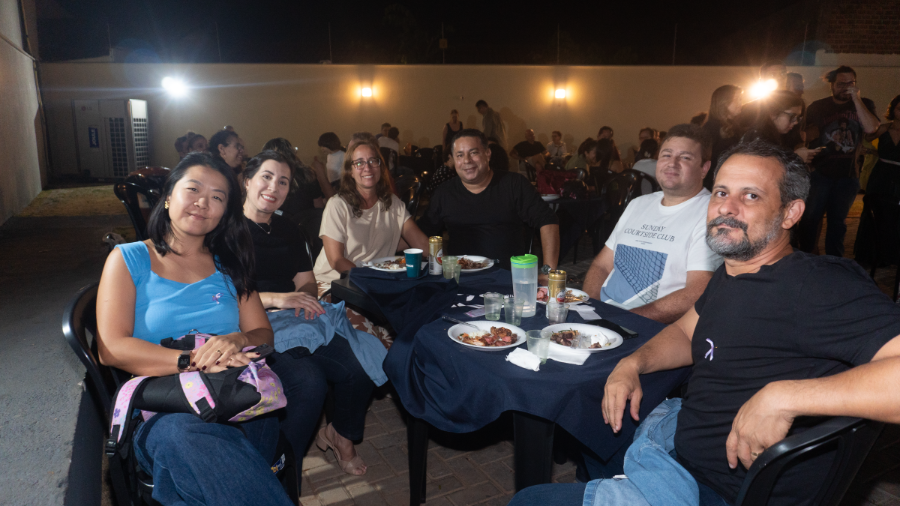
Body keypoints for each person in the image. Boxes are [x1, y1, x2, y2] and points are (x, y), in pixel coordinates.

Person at [508, 139, 900, 506]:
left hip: (717, 491)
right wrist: (632, 364)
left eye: (751, 196)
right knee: (589, 427)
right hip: (672, 446)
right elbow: (686, 332)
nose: (727, 208)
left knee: (529, 501)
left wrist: (785, 398)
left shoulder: (819, 284)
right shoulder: (735, 272)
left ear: (790, 213)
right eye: (721, 192)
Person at [96, 152, 294, 505]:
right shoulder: (129, 259)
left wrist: (237, 339)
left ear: (225, 213)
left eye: (217, 197)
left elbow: (263, 334)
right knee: (187, 440)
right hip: (164, 408)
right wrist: (193, 360)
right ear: (168, 196)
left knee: (211, 463)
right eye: (193, 189)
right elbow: (110, 348)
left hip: (234, 397)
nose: (203, 202)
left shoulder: (229, 266)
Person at [241, 150, 381, 477]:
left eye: (283, 182)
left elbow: (306, 282)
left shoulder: (289, 229)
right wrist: (278, 299)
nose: (274, 187)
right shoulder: (226, 230)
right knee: (309, 382)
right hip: (249, 323)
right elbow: (221, 294)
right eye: (266, 177)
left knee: (363, 361)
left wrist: (303, 300)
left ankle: (340, 434)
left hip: (293, 319)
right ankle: (281, 474)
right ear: (247, 181)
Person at [582, 124, 721, 324]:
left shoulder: (711, 214)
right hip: (603, 315)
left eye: (685, 157)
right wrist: (591, 309)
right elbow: (602, 265)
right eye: (666, 155)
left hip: (649, 325)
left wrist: (625, 321)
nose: (672, 163)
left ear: (704, 169)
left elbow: (698, 290)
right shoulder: (638, 204)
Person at [418, 128, 560, 276]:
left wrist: (548, 271)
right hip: (459, 278)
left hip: (507, 278)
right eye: (459, 155)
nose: (467, 160)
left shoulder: (513, 184)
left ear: (488, 154)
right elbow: (421, 231)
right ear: (453, 159)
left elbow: (547, 220)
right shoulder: (445, 193)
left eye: (473, 153)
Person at [313, 133, 430, 284]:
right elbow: (337, 261)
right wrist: (369, 282)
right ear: (350, 171)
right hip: (334, 283)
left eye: (373, 161)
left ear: (380, 166)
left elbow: (423, 245)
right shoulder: (337, 205)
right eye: (359, 163)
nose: (367, 168)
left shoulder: (392, 203)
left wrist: (448, 265)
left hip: (374, 281)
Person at [798, 65, 880, 257]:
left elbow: (871, 128)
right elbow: (804, 134)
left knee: (838, 223)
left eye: (851, 83)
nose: (846, 88)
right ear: (832, 85)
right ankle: (805, 258)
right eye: (841, 84)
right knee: (810, 218)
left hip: (848, 175)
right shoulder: (818, 107)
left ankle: (834, 262)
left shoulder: (864, 103)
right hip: (820, 172)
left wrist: (857, 99)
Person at [262, 138, 332, 258]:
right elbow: (318, 208)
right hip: (310, 237)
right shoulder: (308, 174)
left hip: (282, 238)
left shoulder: (269, 181)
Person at [854, 94, 900, 266]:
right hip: (881, 174)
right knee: (874, 210)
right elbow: (864, 139)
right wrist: (868, 152)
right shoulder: (883, 129)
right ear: (893, 110)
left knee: (895, 214)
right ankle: (869, 254)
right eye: (899, 108)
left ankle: (892, 255)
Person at [741, 90, 821, 163]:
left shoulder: (782, 135)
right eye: (792, 116)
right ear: (773, 113)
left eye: (798, 117)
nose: (796, 122)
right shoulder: (756, 137)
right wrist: (795, 157)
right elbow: (759, 168)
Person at [701, 85, 744, 190]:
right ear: (724, 102)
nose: (741, 103)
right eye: (737, 99)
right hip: (714, 183)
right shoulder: (712, 127)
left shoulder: (734, 127)